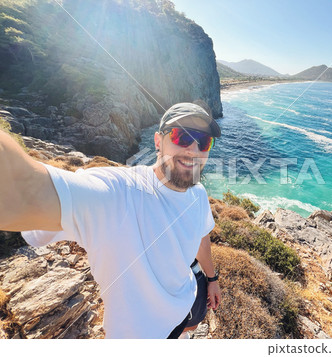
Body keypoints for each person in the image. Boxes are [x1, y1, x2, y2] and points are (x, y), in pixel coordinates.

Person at [0, 102, 221, 338]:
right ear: (158, 141)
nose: (194, 150)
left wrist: (212, 279)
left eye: (204, 141)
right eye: (182, 136)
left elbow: (201, 236)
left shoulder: (198, 194)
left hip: (187, 302)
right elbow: (21, 190)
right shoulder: (119, 192)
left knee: (189, 326)